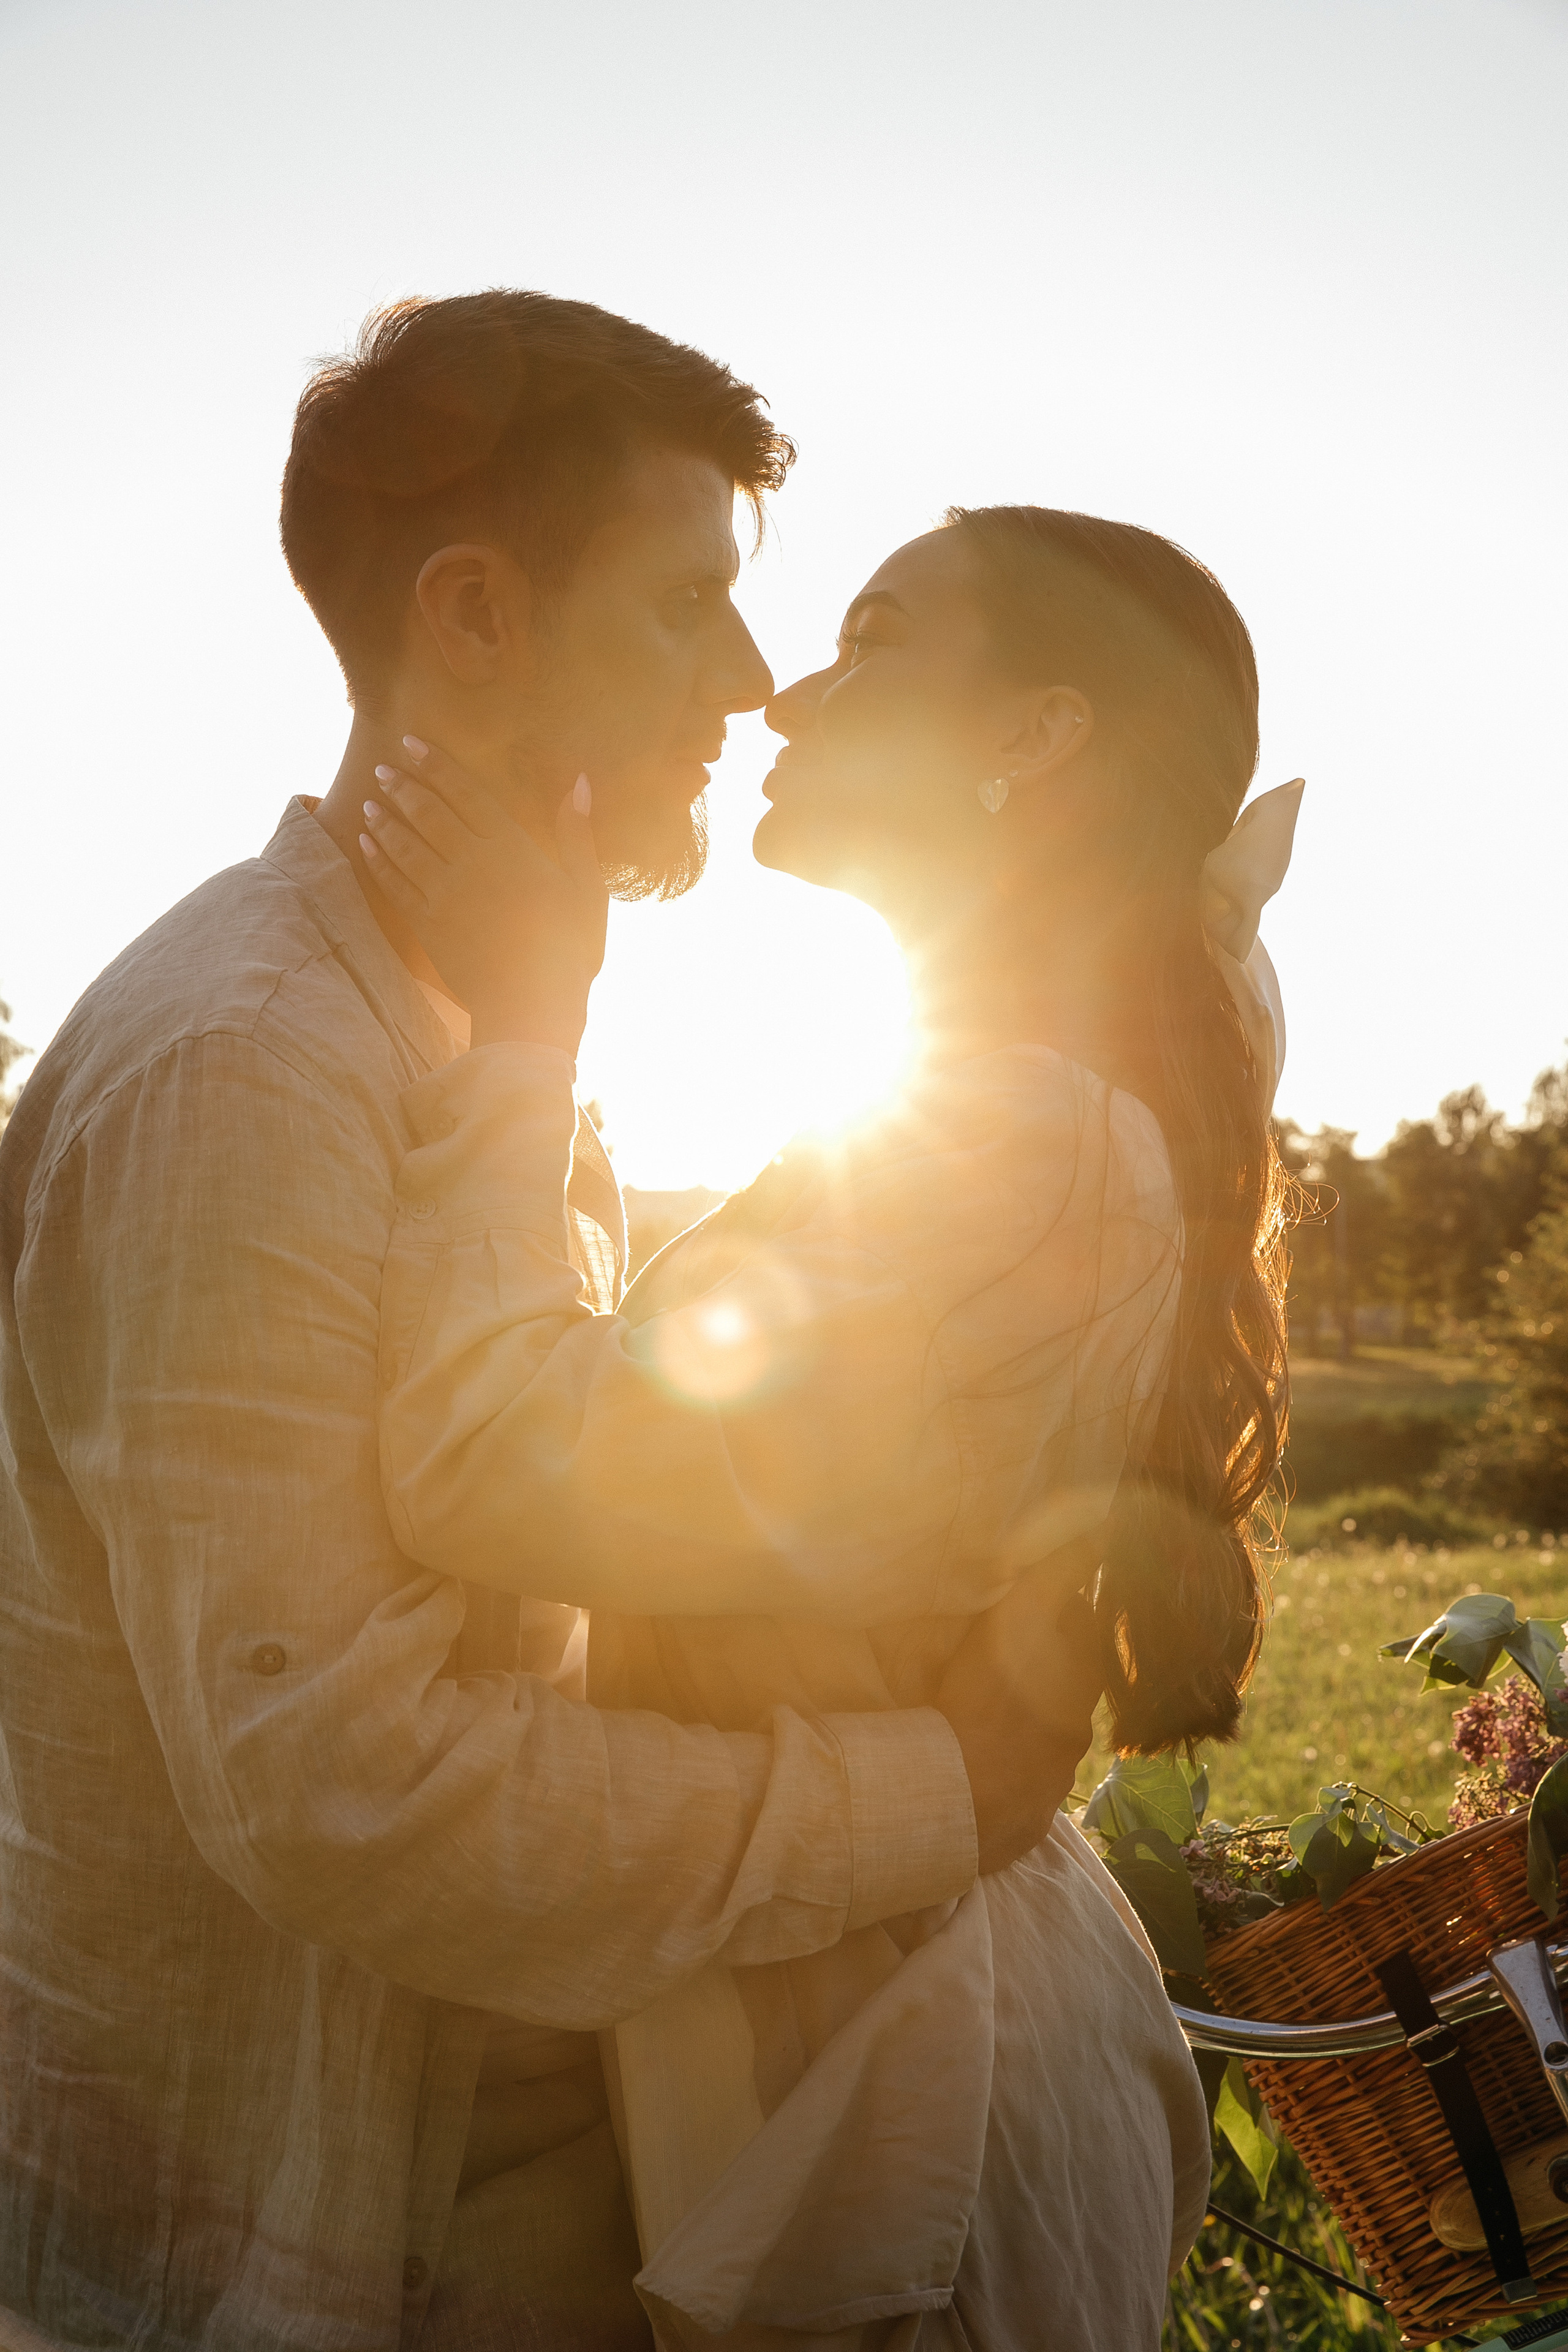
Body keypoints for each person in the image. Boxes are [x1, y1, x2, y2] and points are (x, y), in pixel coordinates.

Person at [0, 296, 1101, 2352]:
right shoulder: (251, 1064)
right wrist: (934, 1793)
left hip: (474, 2197)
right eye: (688, 605)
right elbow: (341, 1779)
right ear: (476, 615)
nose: (751, 680)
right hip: (265, 2265)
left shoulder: (475, 1026)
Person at [360, 507, 1304, 2350]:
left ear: (1036, 734)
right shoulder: (1003, 1108)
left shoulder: (1021, 1148)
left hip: (894, 2089)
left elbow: (492, 1463)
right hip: (851, 2012)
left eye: (874, 642)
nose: (788, 693)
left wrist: (528, 1031)